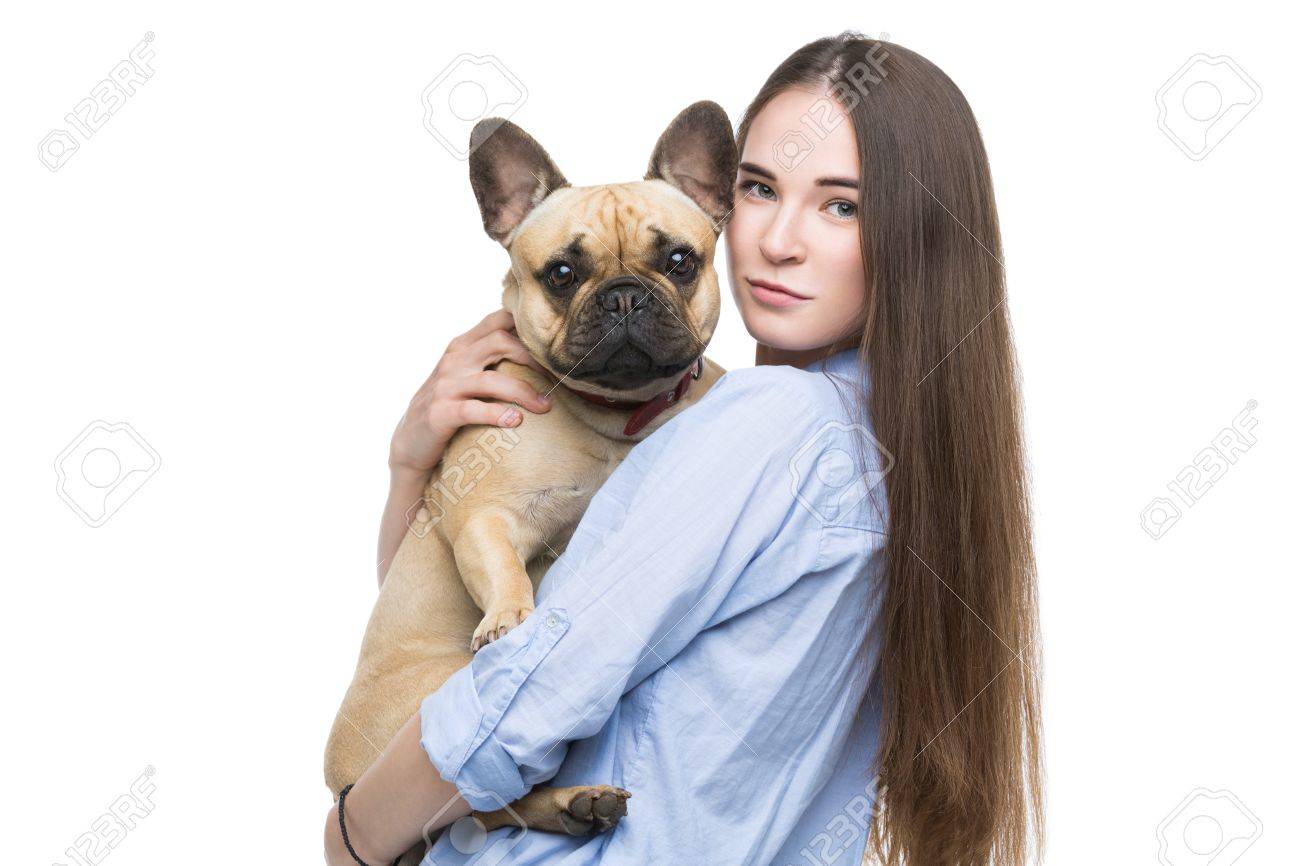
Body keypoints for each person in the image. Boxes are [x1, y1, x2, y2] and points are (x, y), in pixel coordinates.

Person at [325, 32, 1043, 866]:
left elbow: (526, 688)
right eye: (761, 190)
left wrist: (353, 837)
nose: (779, 240)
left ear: (917, 231)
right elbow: (450, 632)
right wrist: (417, 466)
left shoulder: (766, 422)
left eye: (842, 205)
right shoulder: (889, 443)